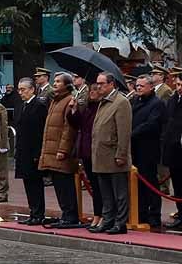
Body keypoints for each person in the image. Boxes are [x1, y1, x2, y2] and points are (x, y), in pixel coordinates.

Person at [90, 72, 133, 234]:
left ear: (111, 84)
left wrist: (121, 154)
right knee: (106, 193)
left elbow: (124, 132)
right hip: (101, 156)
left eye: (101, 83)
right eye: (97, 83)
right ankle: (108, 220)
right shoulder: (102, 102)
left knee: (120, 193)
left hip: (114, 156)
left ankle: (120, 222)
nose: (98, 86)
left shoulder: (121, 102)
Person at [39, 73, 81, 228]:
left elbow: (68, 128)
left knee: (65, 185)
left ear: (66, 84)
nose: (55, 84)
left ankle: (71, 215)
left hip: (61, 152)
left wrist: (63, 149)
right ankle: (65, 213)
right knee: (58, 184)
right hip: (52, 149)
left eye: (58, 82)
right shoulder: (55, 101)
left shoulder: (68, 100)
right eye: (54, 81)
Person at [131, 75, 166, 230]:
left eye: (142, 86)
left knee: (150, 182)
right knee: (137, 183)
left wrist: (132, 132)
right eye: (137, 86)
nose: (138, 88)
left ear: (151, 87)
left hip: (148, 148)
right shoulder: (134, 102)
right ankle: (140, 213)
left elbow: (152, 124)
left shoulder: (157, 103)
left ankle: (154, 216)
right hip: (135, 149)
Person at [68, 82, 103, 227]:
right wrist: (73, 110)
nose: (92, 92)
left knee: (101, 186)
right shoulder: (88, 108)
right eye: (90, 90)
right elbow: (78, 124)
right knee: (94, 185)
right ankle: (97, 214)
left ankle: (102, 215)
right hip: (86, 151)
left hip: (98, 152)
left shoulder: (101, 108)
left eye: (95, 90)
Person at [14, 78, 48, 225]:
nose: (21, 92)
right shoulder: (22, 106)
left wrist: (38, 153)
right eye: (19, 90)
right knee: (28, 184)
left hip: (33, 152)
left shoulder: (39, 106)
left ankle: (39, 213)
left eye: (24, 89)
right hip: (23, 151)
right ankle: (33, 212)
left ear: (32, 89)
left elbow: (40, 132)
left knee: (36, 184)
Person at [162, 70, 182, 230]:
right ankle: (180, 215)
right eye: (177, 84)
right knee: (178, 186)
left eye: (181, 85)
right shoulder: (173, 99)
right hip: (173, 150)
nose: (178, 87)